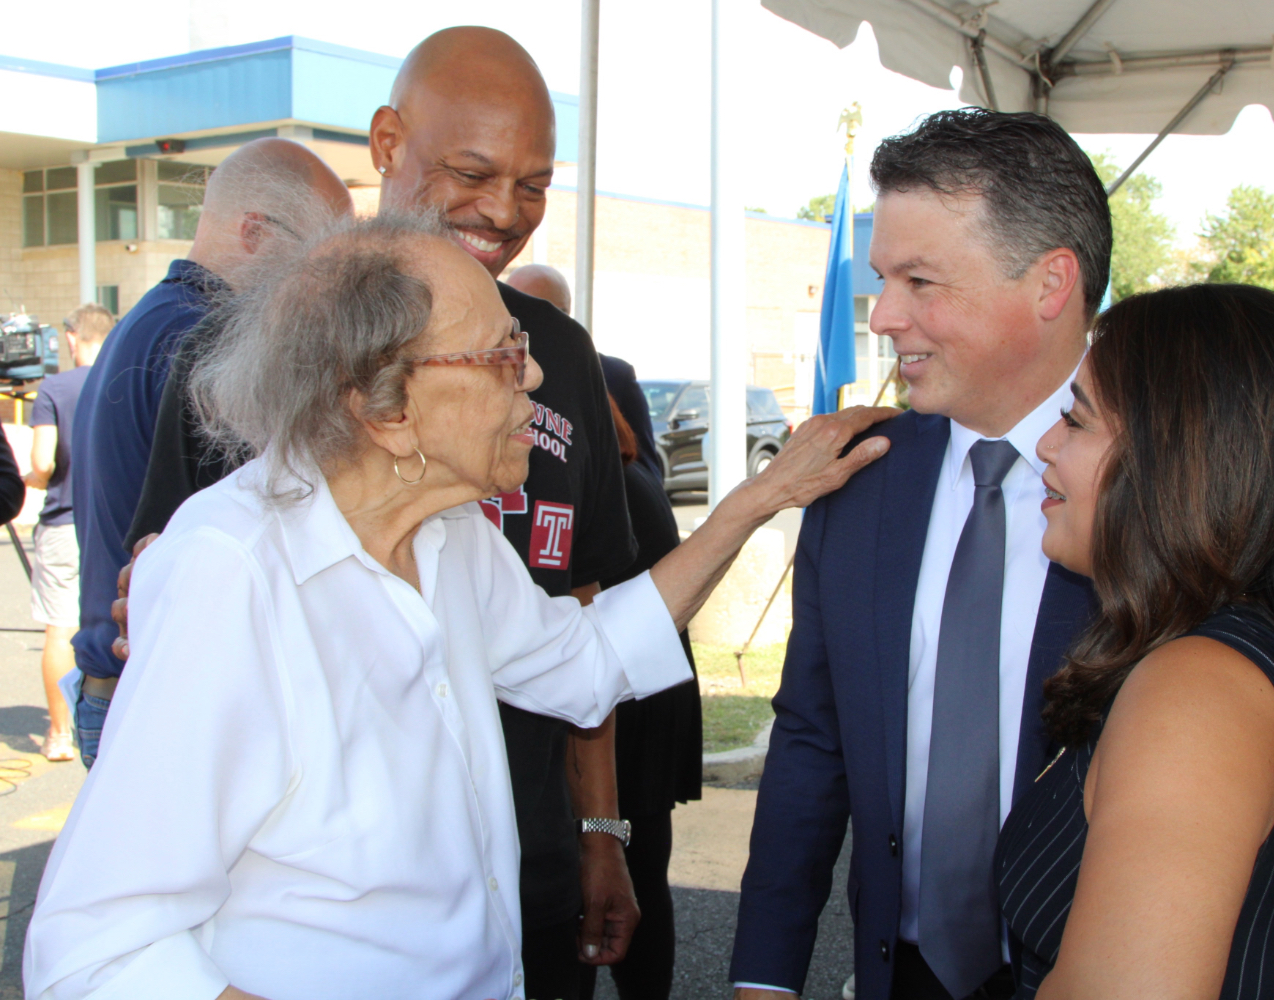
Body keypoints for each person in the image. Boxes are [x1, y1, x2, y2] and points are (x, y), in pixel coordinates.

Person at [22, 213, 893, 1000]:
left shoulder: (451, 536)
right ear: (384, 406)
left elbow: (586, 662)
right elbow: (98, 949)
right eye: (504, 357)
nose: (539, 374)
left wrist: (757, 499)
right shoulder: (234, 573)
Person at [729, 109, 1274, 1000]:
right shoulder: (857, 479)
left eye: (919, 280)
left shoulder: (1193, 491)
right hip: (897, 970)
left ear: (1050, 282)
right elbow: (811, 740)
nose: (887, 316)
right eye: (882, 278)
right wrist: (765, 977)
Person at [997, 283, 1274, 997]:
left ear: (1183, 459)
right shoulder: (1254, 648)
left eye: (1077, 419)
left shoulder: (1196, 691)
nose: (1044, 443)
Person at [370, 28, 645, 992]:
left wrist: (600, 832)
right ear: (387, 143)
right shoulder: (274, 352)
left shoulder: (561, 354)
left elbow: (583, 611)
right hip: (356, 909)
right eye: (473, 172)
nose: (502, 212)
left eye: (533, 185)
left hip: (530, 870)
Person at [69, 138, 354, 768]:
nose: (328, 281)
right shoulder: (210, 346)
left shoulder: (147, 320)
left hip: (119, 686)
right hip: (164, 701)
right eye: (320, 253)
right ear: (254, 231)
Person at [580, 395, 703, 999]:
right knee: (643, 870)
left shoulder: (604, 487)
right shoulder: (633, 472)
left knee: (618, 876)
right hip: (651, 692)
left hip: (625, 700)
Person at [24, 303, 113, 761]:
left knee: (61, 628)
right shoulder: (123, 376)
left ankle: (59, 733)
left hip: (63, 521)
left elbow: (42, 463)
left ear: (74, 338)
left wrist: (31, 480)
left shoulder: (54, 388)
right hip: (113, 525)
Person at [508, 263, 665, 483]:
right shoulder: (488, 369)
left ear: (565, 316)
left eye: (541, 313)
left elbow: (645, 475)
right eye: (516, 313)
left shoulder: (611, 376)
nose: (532, 325)